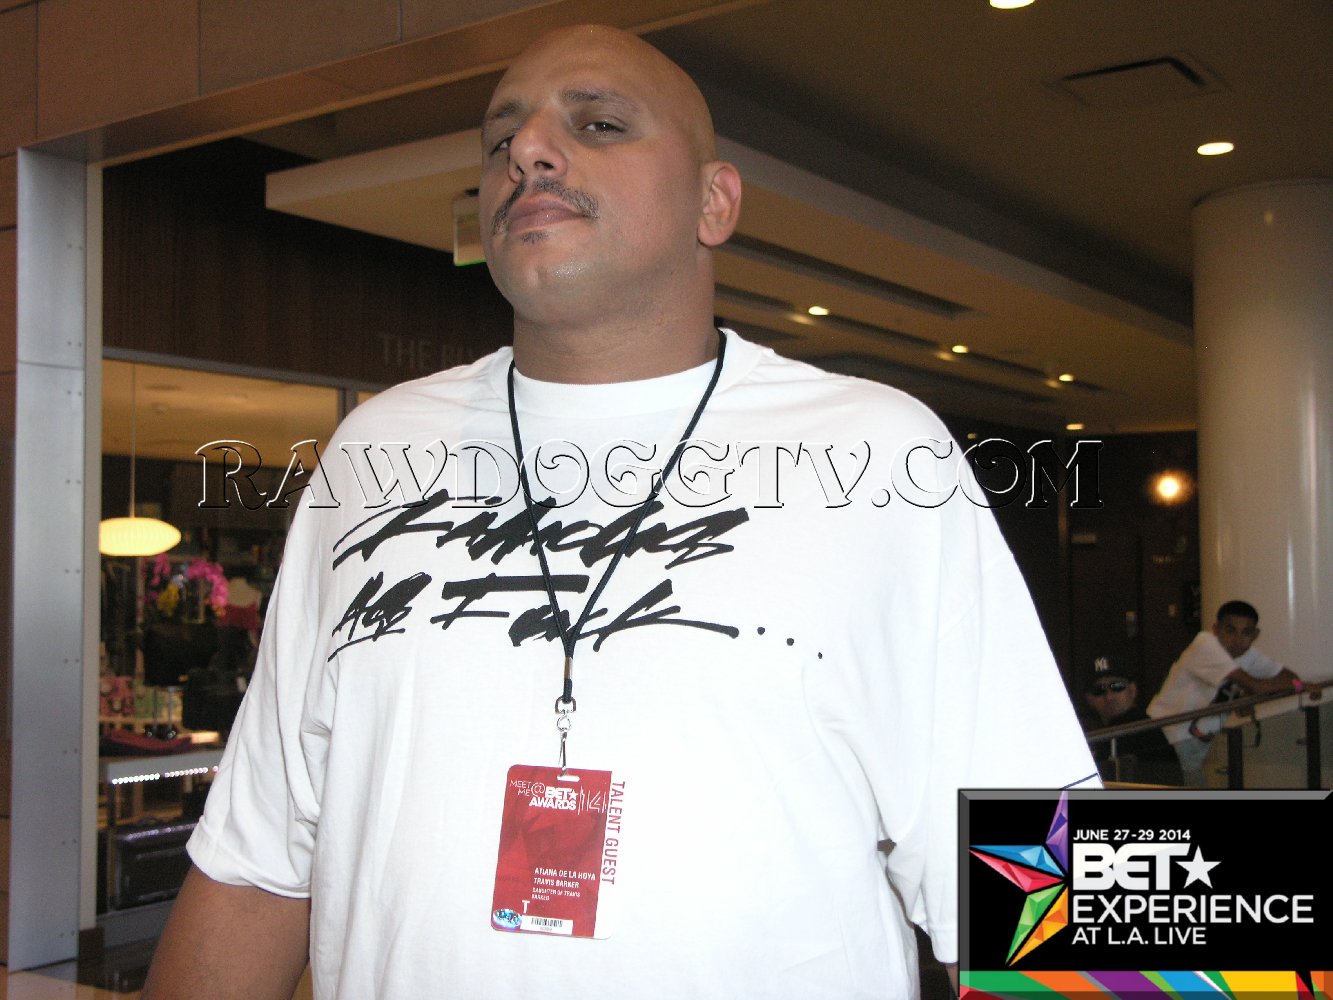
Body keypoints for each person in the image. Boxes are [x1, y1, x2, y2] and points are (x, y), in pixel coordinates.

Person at [143, 25, 1098, 1000]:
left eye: (597, 124)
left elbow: (1051, 896)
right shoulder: (373, 454)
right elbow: (257, 862)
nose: (526, 151)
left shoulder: (881, 456)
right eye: (500, 139)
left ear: (713, 201)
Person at [1147, 600, 1314, 786]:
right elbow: (1256, 685)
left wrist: (1251, 694)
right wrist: (1298, 686)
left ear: (1255, 634)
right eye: (1230, 630)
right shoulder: (1205, 644)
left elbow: (1289, 677)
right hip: (1161, 739)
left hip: (1190, 748)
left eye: (1246, 633)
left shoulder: (1249, 655)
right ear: (1216, 629)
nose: (1237, 640)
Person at [1083, 654, 1182, 786]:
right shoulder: (1102, 734)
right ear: (1089, 699)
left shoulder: (1141, 730)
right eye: (1098, 690)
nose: (1109, 697)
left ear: (1132, 690)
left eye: (1117, 686)